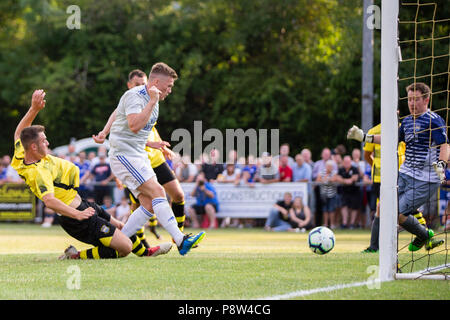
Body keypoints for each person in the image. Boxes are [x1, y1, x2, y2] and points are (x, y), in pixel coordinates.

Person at [11, 89, 172, 260]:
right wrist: (78, 215)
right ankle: (74, 256)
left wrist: (34, 109)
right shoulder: (38, 172)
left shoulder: (22, 156)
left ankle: (147, 253)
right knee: (124, 247)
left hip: (83, 204)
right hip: (75, 217)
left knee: (120, 226)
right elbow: (49, 201)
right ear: (34, 148)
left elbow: (18, 133)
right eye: (44, 141)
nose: (48, 142)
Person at [94, 62, 205, 255]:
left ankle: (115, 245)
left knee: (148, 204)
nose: (170, 90)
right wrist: (152, 102)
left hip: (138, 155)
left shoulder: (154, 100)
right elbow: (135, 125)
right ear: (155, 82)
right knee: (158, 192)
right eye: (168, 86)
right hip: (124, 155)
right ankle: (180, 240)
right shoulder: (136, 96)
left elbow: (132, 127)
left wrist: (151, 143)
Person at [347, 82, 447, 251]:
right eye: (409, 99)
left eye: (416, 99)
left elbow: (445, 145)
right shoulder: (407, 122)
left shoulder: (434, 121)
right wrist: (364, 137)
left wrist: (441, 165)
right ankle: (379, 246)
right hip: (405, 174)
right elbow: (390, 139)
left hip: (425, 179)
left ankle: (422, 235)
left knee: (396, 214)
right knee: (383, 207)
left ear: (426, 100)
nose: (412, 103)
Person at [336, 155, 361, 229]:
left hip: (354, 191)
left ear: (351, 162)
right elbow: (337, 177)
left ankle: (352, 224)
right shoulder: (341, 169)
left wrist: (349, 180)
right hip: (344, 191)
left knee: (354, 208)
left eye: (348, 162)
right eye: (345, 162)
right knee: (344, 206)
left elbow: (355, 177)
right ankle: (344, 223)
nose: (346, 163)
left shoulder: (354, 169)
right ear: (343, 162)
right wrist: (345, 181)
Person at [316, 160, 339, 229]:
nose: (329, 168)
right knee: (325, 210)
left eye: (331, 166)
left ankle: (332, 224)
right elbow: (318, 180)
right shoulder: (321, 172)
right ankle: (325, 224)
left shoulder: (334, 172)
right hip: (324, 195)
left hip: (332, 194)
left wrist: (326, 179)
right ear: (326, 166)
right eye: (328, 166)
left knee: (331, 210)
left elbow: (334, 179)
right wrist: (326, 179)